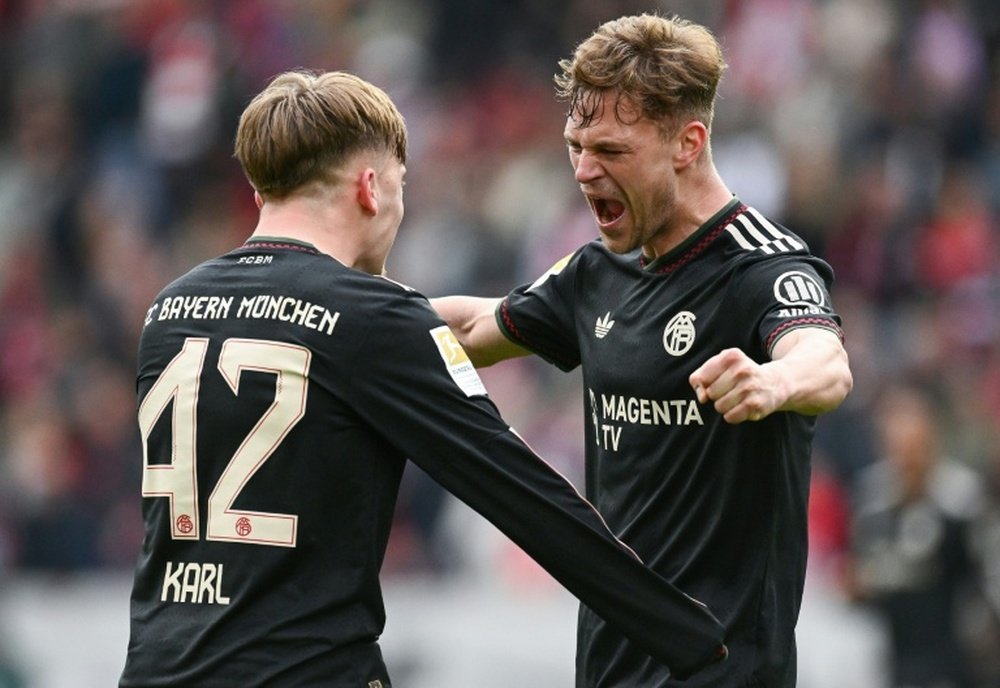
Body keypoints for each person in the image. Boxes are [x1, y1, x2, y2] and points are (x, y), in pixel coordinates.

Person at [118, 69, 729, 688]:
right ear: (370, 188)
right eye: (400, 184)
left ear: (261, 195)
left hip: (155, 669)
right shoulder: (374, 315)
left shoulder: (168, 311)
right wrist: (689, 636)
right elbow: (518, 490)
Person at [432, 13, 853, 688]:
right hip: (608, 668)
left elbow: (824, 361)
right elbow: (472, 329)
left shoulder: (761, 267)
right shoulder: (598, 273)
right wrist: (344, 310)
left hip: (724, 674)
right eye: (575, 146)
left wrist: (773, 382)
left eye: (611, 150)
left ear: (688, 143)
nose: (584, 170)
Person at [844, 383, 993, 688]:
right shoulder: (872, 500)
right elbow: (862, 571)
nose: (908, 460)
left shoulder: (961, 501)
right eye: (899, 448)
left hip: (952, 648)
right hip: (892, 647)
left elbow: (984, 575)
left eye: (915, 447)